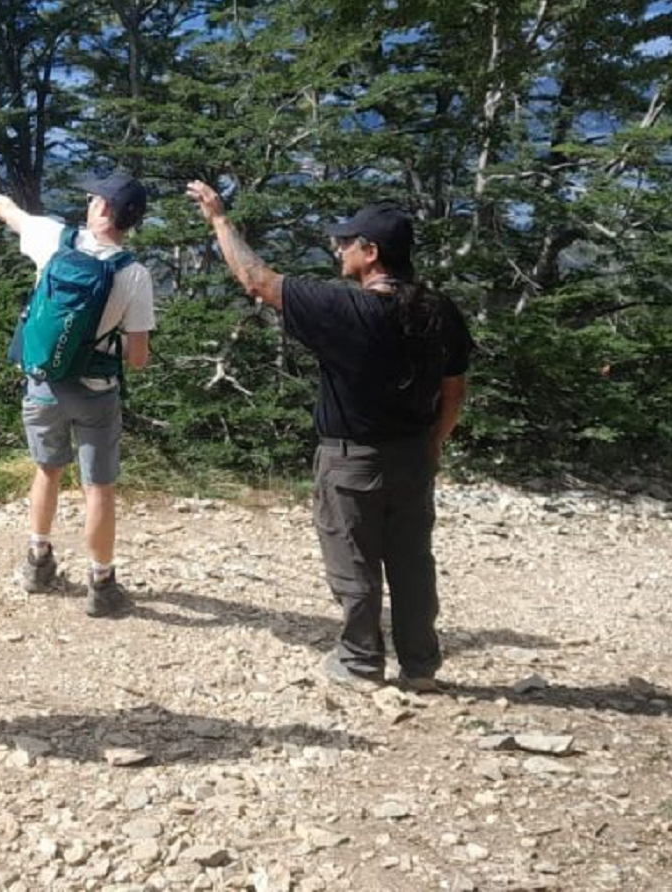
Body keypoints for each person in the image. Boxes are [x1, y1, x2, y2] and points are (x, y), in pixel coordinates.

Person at [189, 182, 472, 693]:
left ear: (372, 253)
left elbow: (257, 281)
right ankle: (420, 665)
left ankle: (361, 662)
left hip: (351, 458)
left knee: (354, 560)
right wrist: (433, 443)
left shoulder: (346, 309)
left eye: (348, 243)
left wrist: (219, 220)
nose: (339, 250)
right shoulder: (440, 311)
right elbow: (454, 390)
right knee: (411, 560)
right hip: (413, 457)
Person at [0, 171, 157, 617]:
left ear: (103, 209)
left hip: (43, 384)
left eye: (93, 197)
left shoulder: (54, 239)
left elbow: (4, 209)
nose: (89, 201)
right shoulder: (135, 275)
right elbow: (139, 357)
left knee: (47, 471)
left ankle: (37, 563)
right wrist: (101, 339)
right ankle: (102, 585)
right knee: (97, 487)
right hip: (96, 393)